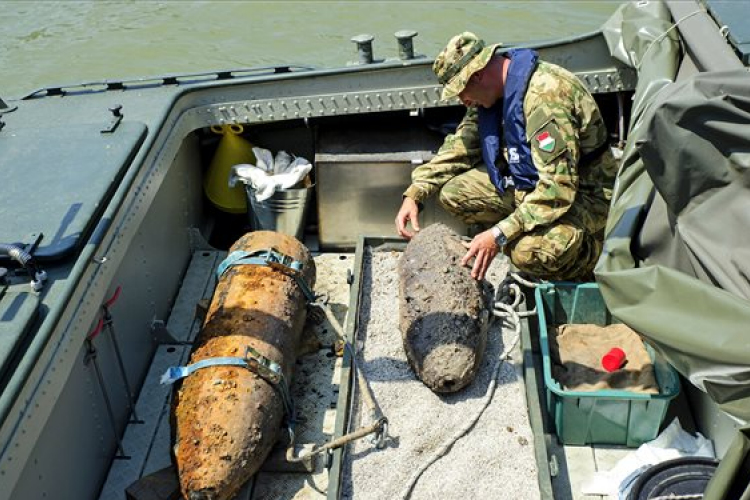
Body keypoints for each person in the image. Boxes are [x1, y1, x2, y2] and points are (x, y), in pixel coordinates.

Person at [395, 32, 619, 282]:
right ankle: (519, 234)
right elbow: (461, 146)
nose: (463, 100)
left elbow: (558, 190)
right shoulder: (491, 96)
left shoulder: (546, 100)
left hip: (586, 197)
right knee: (454, 194)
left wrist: (499, 234)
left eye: (461, 91)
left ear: (477, 75)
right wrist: (415, 192)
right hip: (531, 187)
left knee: (527, 253)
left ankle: (597, 255)